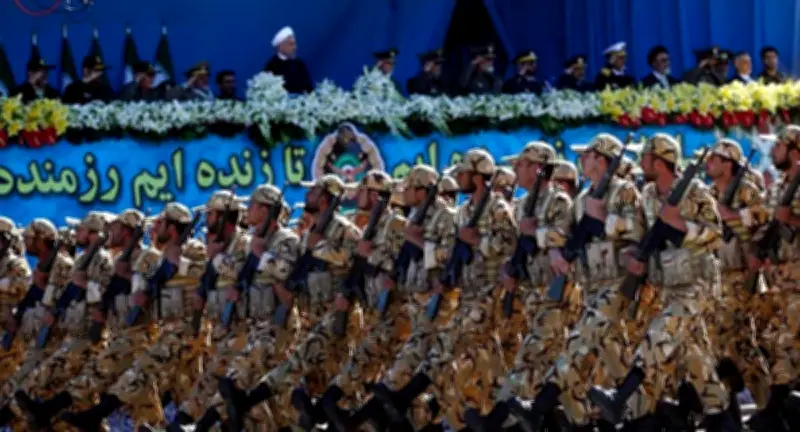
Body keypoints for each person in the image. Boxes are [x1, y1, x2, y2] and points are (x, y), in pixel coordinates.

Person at [588, 134, 737, 431]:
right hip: (667, 285)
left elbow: (716, 234)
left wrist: (679, 224)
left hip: (696, 284)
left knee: (659, 335)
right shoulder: (647, 194)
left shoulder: (694, 192)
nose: (640, 162)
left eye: (645, 157)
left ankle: (621, 396)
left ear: (658, 162)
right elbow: (643, 236)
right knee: (693, 354)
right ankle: (721, 415)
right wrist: (633, 255)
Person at [504, 134, 644, 431]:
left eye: (588, 154)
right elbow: (568, 237)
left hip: (616, 283)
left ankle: (538, 407)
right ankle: (644, 415)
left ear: (602, 159)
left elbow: (636, 232)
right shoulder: (581, 199)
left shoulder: (623, 190)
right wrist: (556, 249)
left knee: (577, 343)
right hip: (591, 285)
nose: (582, 159)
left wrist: (604, 218)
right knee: (614, 356)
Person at [370, 149, 517, 431]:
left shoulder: (497, 207)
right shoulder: (464, 211)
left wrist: (478, 241)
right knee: (485, 360)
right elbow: (455, 253)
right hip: (468, 293)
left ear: (477, 176)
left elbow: (510, 244)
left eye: (463, 173)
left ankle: (406, 394)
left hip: (490, 291)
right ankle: (502, 415)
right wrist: (449, 278)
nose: (459, 178)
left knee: (448, 341)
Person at [215, 175, 363, 432]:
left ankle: (249, 399)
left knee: (332, 378)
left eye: (314, 191)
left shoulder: (345, 230)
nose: (308, 195)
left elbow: (355, 262)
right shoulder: (308, 235)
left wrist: (320, 248)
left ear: (325, 198)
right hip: (311, 316)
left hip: (338, 314)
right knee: (316, 384)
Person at [465, 141, 580, 431]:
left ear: (538, 168)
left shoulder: (559, 201)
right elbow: (514, 247)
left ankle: (497, 420)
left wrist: (537, 231)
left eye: (522, 164)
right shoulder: (521, 206)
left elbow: (565, 237)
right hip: (530, 293)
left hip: (555, 292)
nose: (516, 168)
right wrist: (509, 269)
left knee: (530, 355)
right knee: (546, 362)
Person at [61, 204, 207, 429]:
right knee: (186, 394)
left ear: (172, 228)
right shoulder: (159, 257)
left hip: (186, 330)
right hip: (167, 332)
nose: (154, 228)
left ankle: (94, 414)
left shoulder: (191, 249)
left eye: (160, 223)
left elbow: (206, 275)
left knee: (140, 373)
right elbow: (152, 289)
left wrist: (178, 262)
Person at [317, 170, 408, 431]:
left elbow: (402, 263)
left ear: (376, 195)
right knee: (383, 388)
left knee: (367, 366)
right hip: (374, 314)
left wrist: (372, 256)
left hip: (394, 313)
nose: (357, 195)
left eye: (363, 190)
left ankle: (332, 401)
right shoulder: (371, 226)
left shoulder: (396, 224)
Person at [14, 212, 116, 431]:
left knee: (42, 379)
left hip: (89, 335)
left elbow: (107, 296)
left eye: (81, 229)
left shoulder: (103, 260)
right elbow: (67, 295)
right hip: (73, 332)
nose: (77, 233)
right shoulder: (81, 260)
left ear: (93, 233)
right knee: (80, 400)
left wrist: (85, 284)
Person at [703, 139, 772, 419]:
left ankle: (767, 403)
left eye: (714, 159)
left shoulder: (746, 190)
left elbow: (764, 220)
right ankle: (729, 407)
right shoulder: (708, 193)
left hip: (742, 275)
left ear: (728, 164)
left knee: (740, 341)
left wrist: (730, 214)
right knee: (719, 343)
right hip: (717, 276)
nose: (708, 164)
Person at [747, 125, 800, 432]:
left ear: (794, 151)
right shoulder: (780, 186)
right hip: (779, 279)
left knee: (786, 343)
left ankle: (775, 410)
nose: (774, 151)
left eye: (779, 146)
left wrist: (791, 219)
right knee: (771, 340)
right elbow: (768, 223)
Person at [0, 219, 72, 429]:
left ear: (41, 241)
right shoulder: (43, 266)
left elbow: (63, 301)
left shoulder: (62, 265)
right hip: (32, 337)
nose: (25, 242)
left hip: (52, 341)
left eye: (30, 238)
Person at [264, 26, 313, 94]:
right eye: (291, 44)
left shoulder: (299, 64)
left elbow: (309, 87)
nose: (295, 47)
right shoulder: (272, 66)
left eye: (295, 44)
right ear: (281, 46)